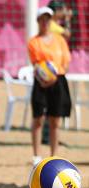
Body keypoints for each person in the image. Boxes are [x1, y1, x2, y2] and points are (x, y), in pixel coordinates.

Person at [28, 7, 71, 166]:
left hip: (58, 80)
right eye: (42, 19)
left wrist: (54, 76)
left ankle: (54, 156)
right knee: (38, 118)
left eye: (48, 19)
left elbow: (65, 62)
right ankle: (36, 155)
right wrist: (45, 78)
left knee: (55, 120)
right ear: (38, 21)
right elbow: (36, 64)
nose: (45, 22)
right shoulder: (34, 42)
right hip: (41, 81)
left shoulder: (59, 40)